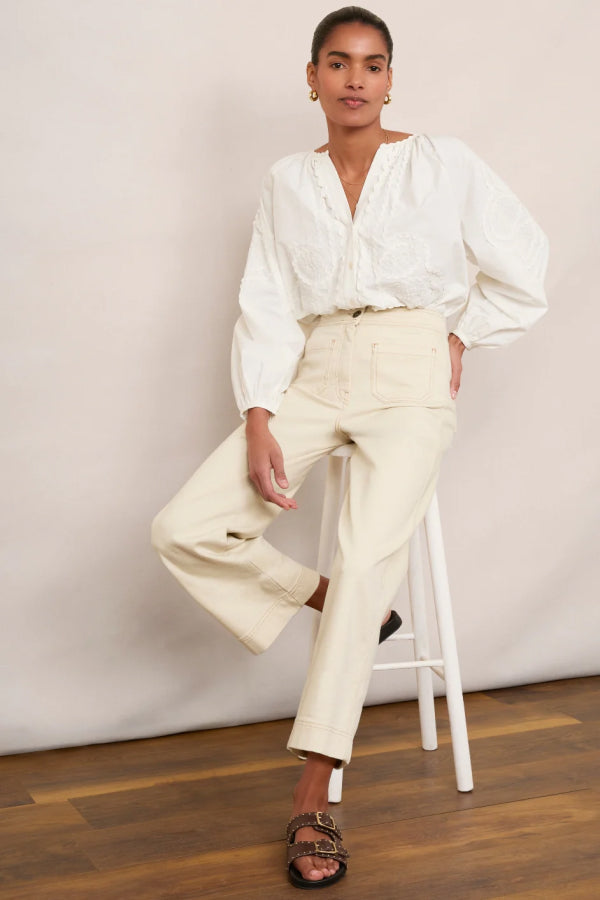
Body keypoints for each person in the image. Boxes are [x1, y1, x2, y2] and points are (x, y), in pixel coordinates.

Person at [150, 5, 550, 889]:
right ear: (312, 78)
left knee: (371, 555)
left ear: (391, 80)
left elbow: (525, 262)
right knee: (184, 527)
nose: (355, 79)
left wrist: (461, 334)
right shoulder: (287, 181)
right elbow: (266, 298)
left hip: (410, 367)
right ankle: (342, 603)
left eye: (372, 64)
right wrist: (259, 411)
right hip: (315, 365)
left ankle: (313, 797)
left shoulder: (443, 163)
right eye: (338, 63)